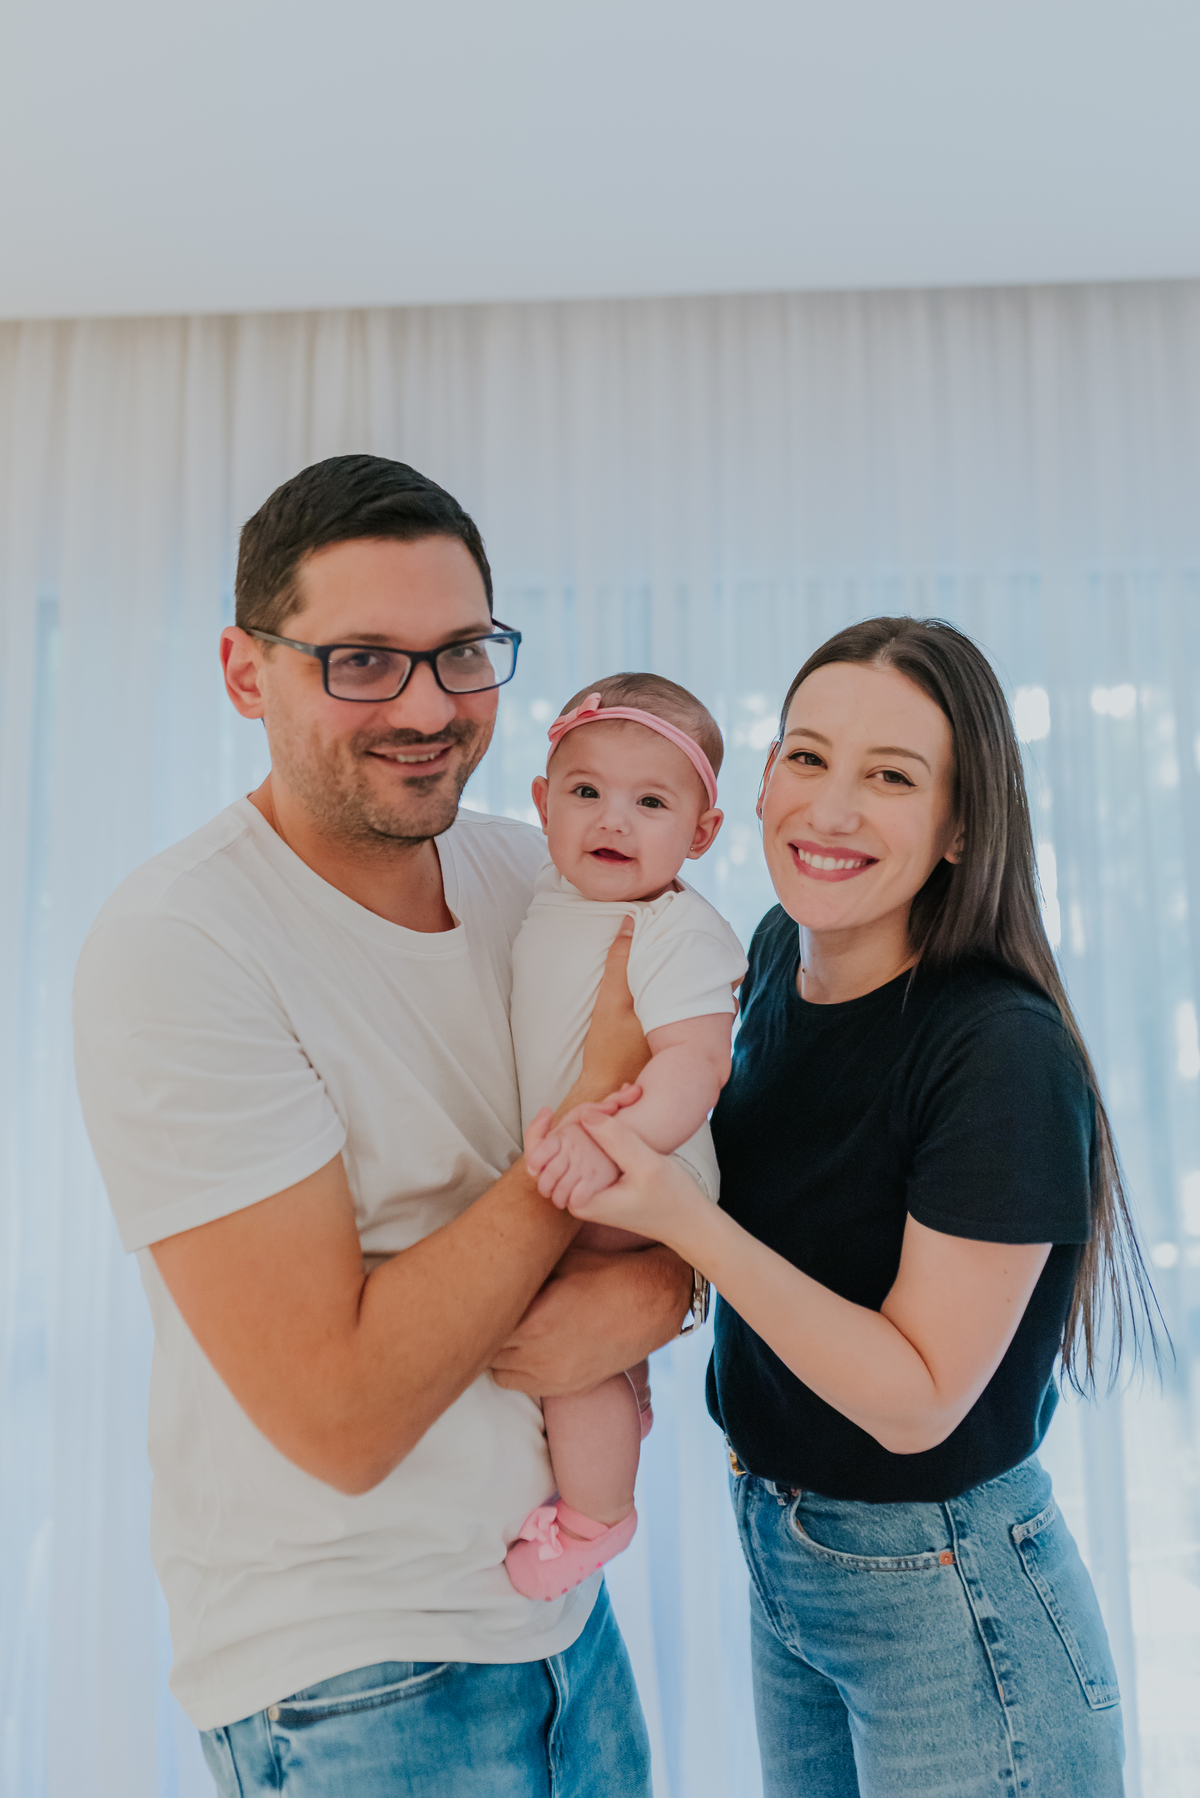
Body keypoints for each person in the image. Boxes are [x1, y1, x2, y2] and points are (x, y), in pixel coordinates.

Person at [72, 454, 698, 1798]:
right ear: (248, 673)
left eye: (461, 652)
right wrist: (582, 1134)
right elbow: (341, 1415)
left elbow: (685, 1205)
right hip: (356, 1677)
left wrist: (657, 1281)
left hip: (562, 1633)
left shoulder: (538, 873)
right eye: (362, 659)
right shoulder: (183, 945)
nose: (427, 706)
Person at [541, 616, 1161, 1797]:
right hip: (788, 1549)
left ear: (961, 823)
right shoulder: (771, 953)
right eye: (806, 756)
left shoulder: (998, 1052)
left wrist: (681, 1219)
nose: (828, 809)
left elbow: (920, 1400)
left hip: (948, 1589)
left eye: (890, 776)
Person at [505, 675, 746, 1599]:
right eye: (586, 792)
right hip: (592, 1165)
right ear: (542, 804)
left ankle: (595, 1520)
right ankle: (626, 1391)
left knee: (570, 1340)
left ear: (700, 834)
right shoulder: (546, 893)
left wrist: (614, 1142)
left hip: (641, 1173)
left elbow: (696, 1064)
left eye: (651, 802)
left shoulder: (676, 928)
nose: (613, 820)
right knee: (586, 1327)